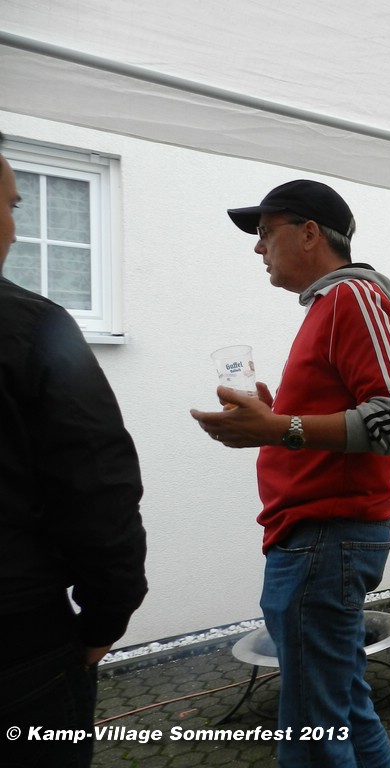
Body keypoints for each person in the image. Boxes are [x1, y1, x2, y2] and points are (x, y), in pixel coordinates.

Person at [190, 179, 390, 768]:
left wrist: (280, 427)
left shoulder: (354, 298)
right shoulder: (328, 306)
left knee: (311, 733)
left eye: (266, 232)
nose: (258, 247)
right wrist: (274, 422)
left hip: (323, 538)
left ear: (311, 233)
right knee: (344, 709)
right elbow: (331, 419)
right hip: (319, 538)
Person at [0, 130, 148, 767]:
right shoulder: (31, 326)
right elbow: (97, 487)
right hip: (18, 643)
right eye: (12, 206)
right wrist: (106, 618)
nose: (14, 229)